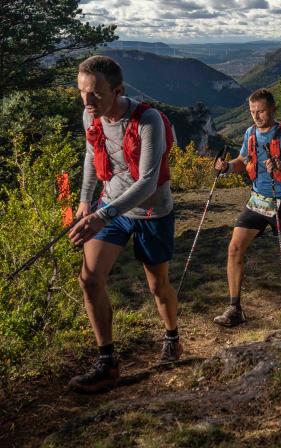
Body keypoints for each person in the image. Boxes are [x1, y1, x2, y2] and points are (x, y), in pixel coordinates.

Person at [67, 55, 181, 393]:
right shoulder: (92, 117)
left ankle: (172, 334)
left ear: (117, 90)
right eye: (82, 92)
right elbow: (92, 155)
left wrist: (101, 214)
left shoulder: (148, 120)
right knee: (89, 280)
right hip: (108, 207)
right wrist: (87, 200)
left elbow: (147, 181)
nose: (88, 102)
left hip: (151, 212)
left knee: (158, 286)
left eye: (97, 94)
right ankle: (107, 363)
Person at [213, 88, 281, 327]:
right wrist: (226, 166)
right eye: (252, 112)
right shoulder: (250, 133)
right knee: (235, 248)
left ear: (272, 110)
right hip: (258, 202)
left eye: (261, 111)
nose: (256, 116)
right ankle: (234, 308)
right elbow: (242, 162)